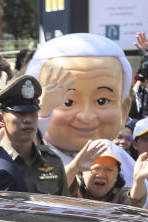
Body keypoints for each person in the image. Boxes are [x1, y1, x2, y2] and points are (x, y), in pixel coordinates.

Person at [24, 33, 135, 188]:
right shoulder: (30, 157)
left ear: (124, 110)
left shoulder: (127, 165)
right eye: (68, 102)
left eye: (102, 101)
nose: (86, 116)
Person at [0, 75, 68, 195]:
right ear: (0, 118)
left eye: (33, 113)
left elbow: (63, 208)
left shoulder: (52, 161)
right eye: (20, 113)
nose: (28, 119)